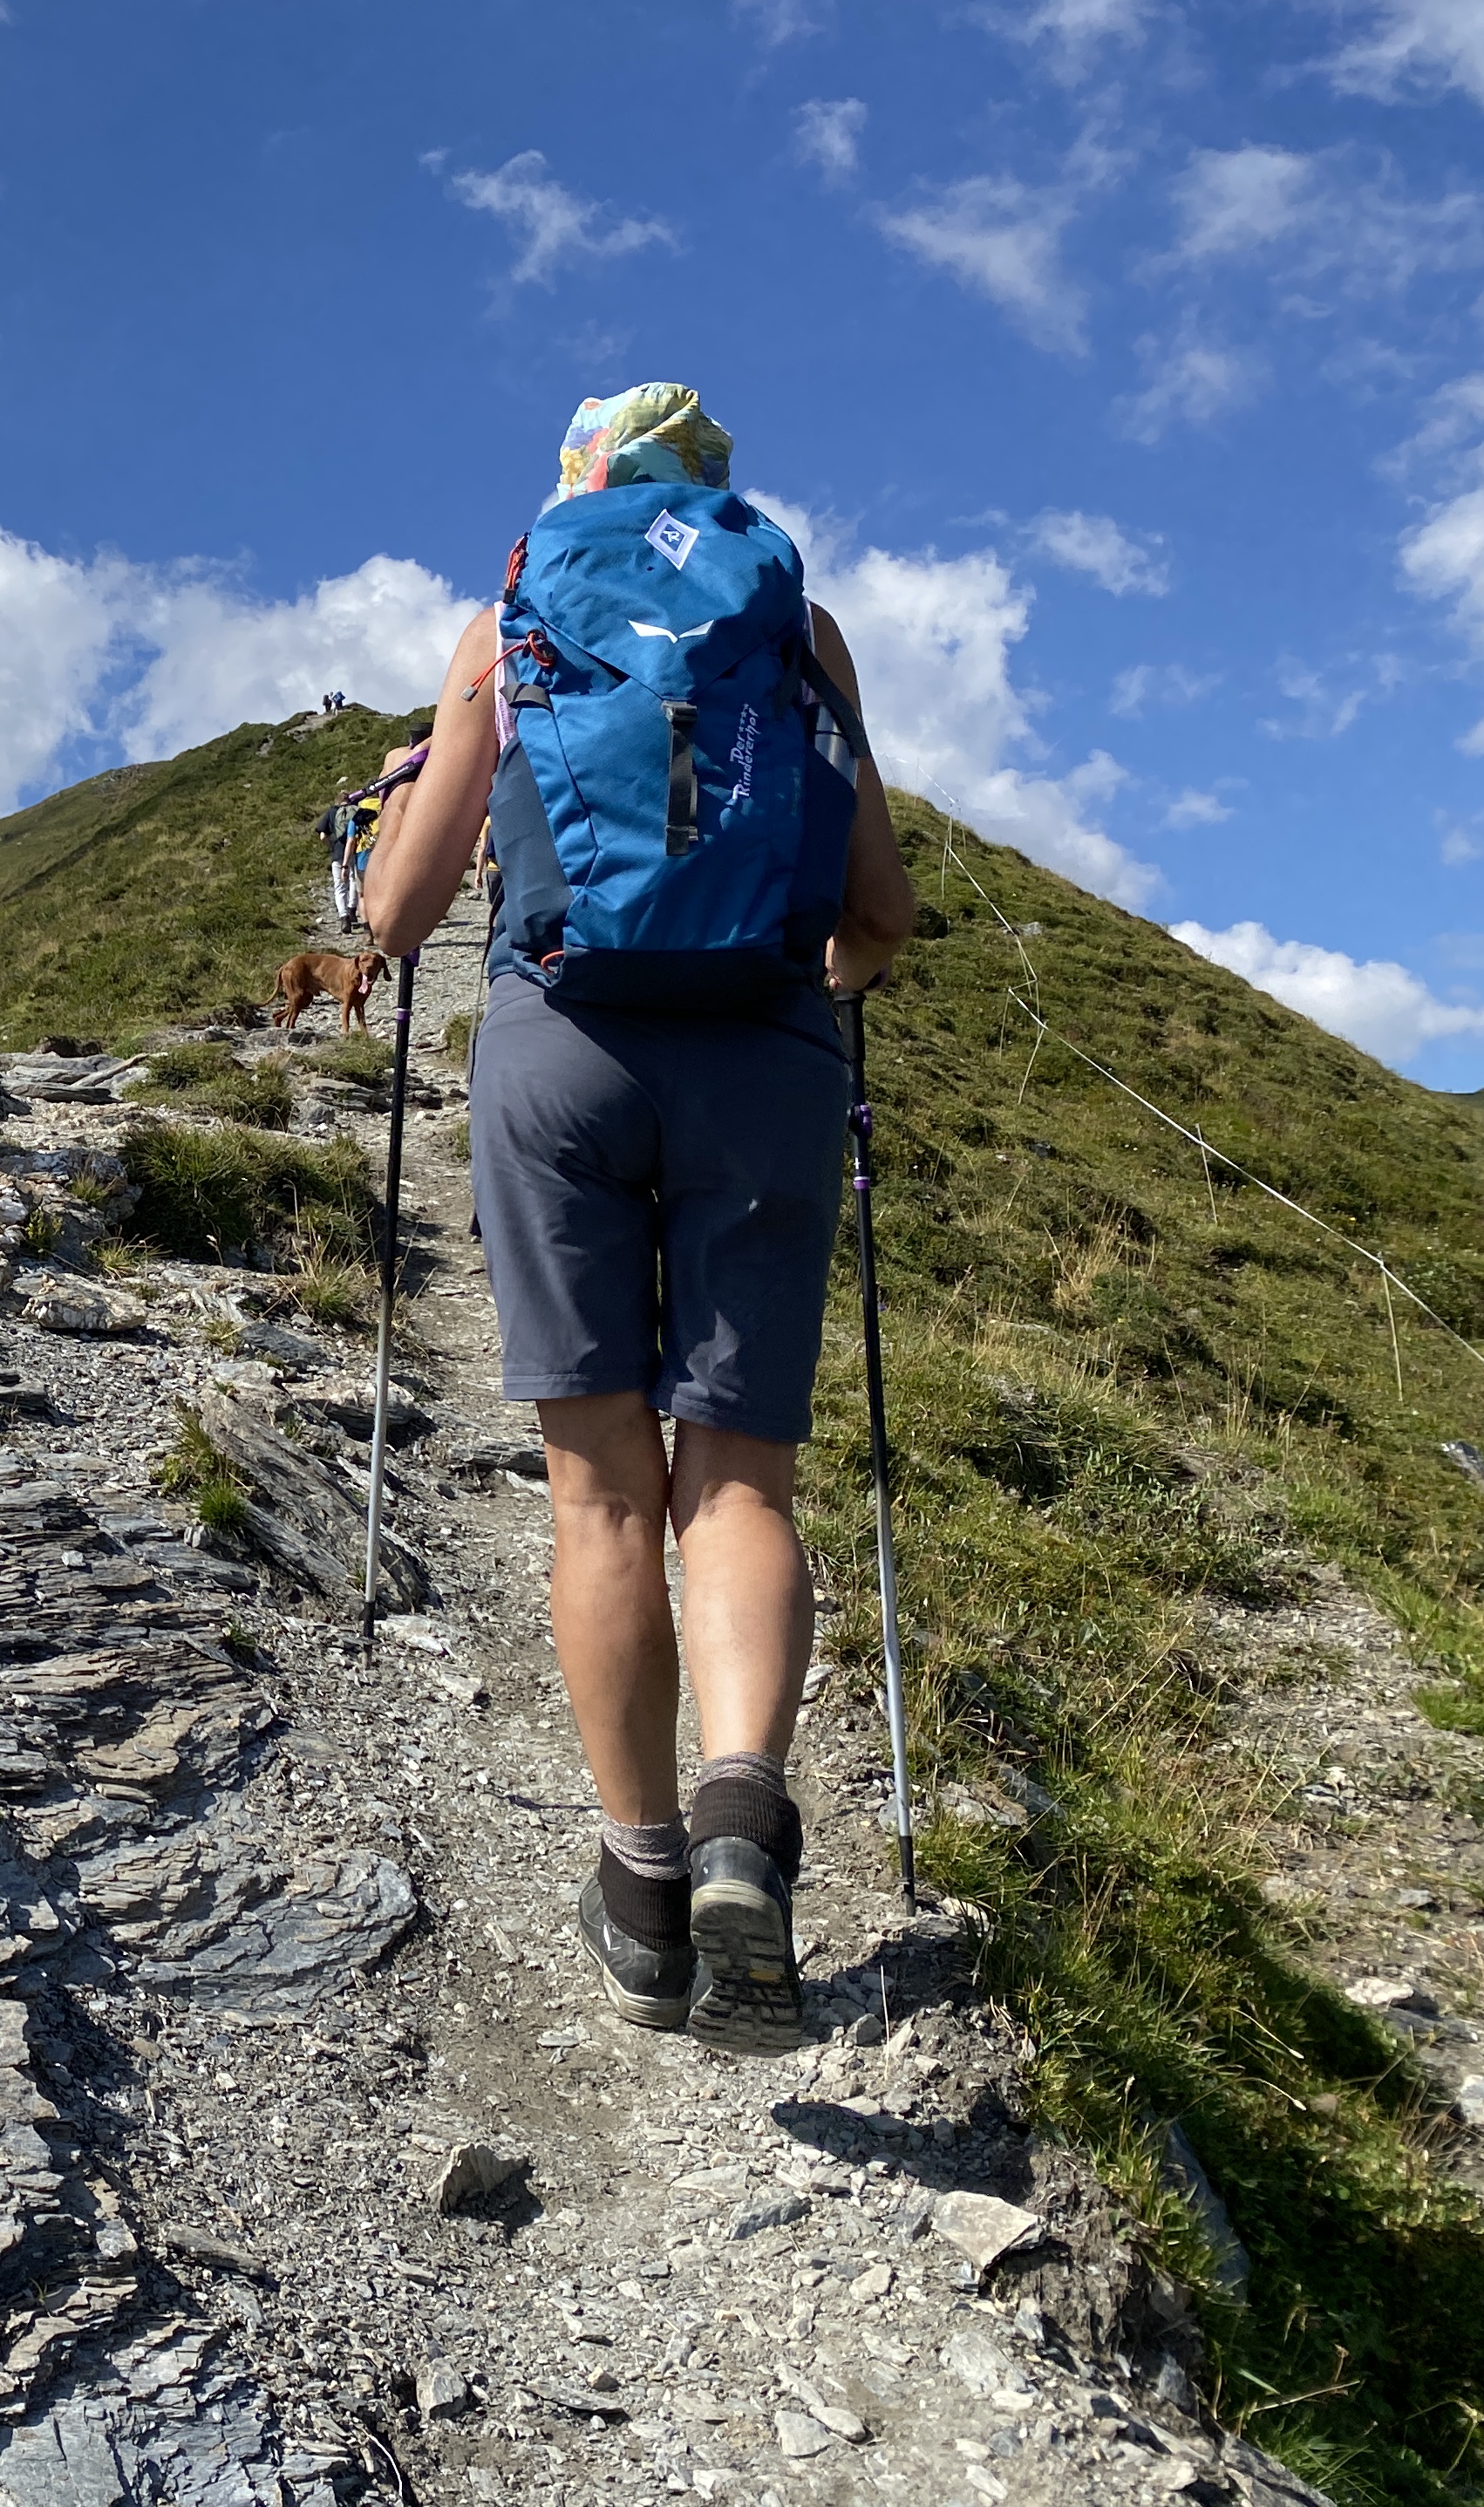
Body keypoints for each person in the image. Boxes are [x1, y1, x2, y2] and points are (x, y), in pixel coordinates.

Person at [363, 384, 916, 2054]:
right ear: (715, 486)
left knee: (599, 1487)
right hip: (762, 1057)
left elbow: (394, 908)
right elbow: (877, 911)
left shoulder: (511, 606)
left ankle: (644, 1880)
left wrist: (403, 824)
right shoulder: (796, 625)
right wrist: (815, 978)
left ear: (582, 480)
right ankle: (747, 1801)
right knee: (734, 1472)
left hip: (560, 1051)